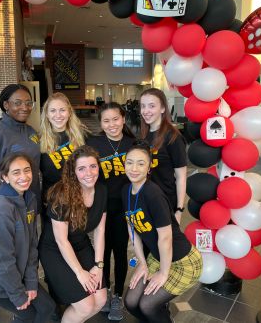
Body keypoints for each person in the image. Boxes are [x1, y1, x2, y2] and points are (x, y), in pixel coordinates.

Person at [0, 153, 55, 323]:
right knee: (33, 316)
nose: (24, 177)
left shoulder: (29, 198)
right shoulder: (0, 209)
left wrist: (30, 282)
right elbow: (2, 261)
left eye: (27, 170)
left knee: (48, 309)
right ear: (5, 178)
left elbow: (31, 244)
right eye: (16, 172)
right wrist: (17, 294)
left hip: (18, 272)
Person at [0, 84, 40, 315]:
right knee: (5, 251)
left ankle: (23, 285)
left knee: (24, 249)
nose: (24, 107)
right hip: (8, 208)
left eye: (28, 102)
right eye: (18, 102)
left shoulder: (31, 131)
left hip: (29, 203)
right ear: (5, 105)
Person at [122, 142, 202, 323]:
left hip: (183, 261)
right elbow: (132, 228)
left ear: (149, 167)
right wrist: (142, 263)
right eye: (130, 162)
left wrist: (163, 273)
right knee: (131, 302)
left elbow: (165, 238)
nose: (134, 168)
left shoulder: (153, 194)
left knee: (147, 305)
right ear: (124, 164)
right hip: (157, 258)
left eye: (141, 164)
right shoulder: (126, 191)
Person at [38, 145, 108, 323]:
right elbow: (61, 240)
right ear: (73, 171)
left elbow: (100, 230)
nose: (89, 173)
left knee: (100, 300)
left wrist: (98, 266)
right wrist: (80, 272)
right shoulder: (62, 194)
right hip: (54, 249)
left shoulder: (101, 191)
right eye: (81, 168)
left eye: (93, 166)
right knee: (85, 305)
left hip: (80, 245)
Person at [86, 102, 135, 321]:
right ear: (101, 124)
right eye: (106, 120)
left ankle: (117, 296)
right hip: (101, 207)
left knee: (121, 252)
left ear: (123, 119)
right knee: (102, 252)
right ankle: (103, 291)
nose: (112, 124)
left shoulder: (133, 144)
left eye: (116, 119)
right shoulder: (93, 143)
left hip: (123, 208)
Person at [139, 88, 187, 224]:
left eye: (152, 106)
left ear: (162, 109)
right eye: (143, 106)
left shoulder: (173, 137)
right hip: (147, 199)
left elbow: (181, 177)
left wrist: (179, 209)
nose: (146, 111)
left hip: (166, 202)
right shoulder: (144, 135)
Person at [39, 92, 89, 214]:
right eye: (53, 111)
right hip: (52, 202)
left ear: (69, 112)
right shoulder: (39, 141)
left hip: (78, 200)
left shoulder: (83, 136)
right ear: (46, 114)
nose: (58, 115)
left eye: (62, 110)